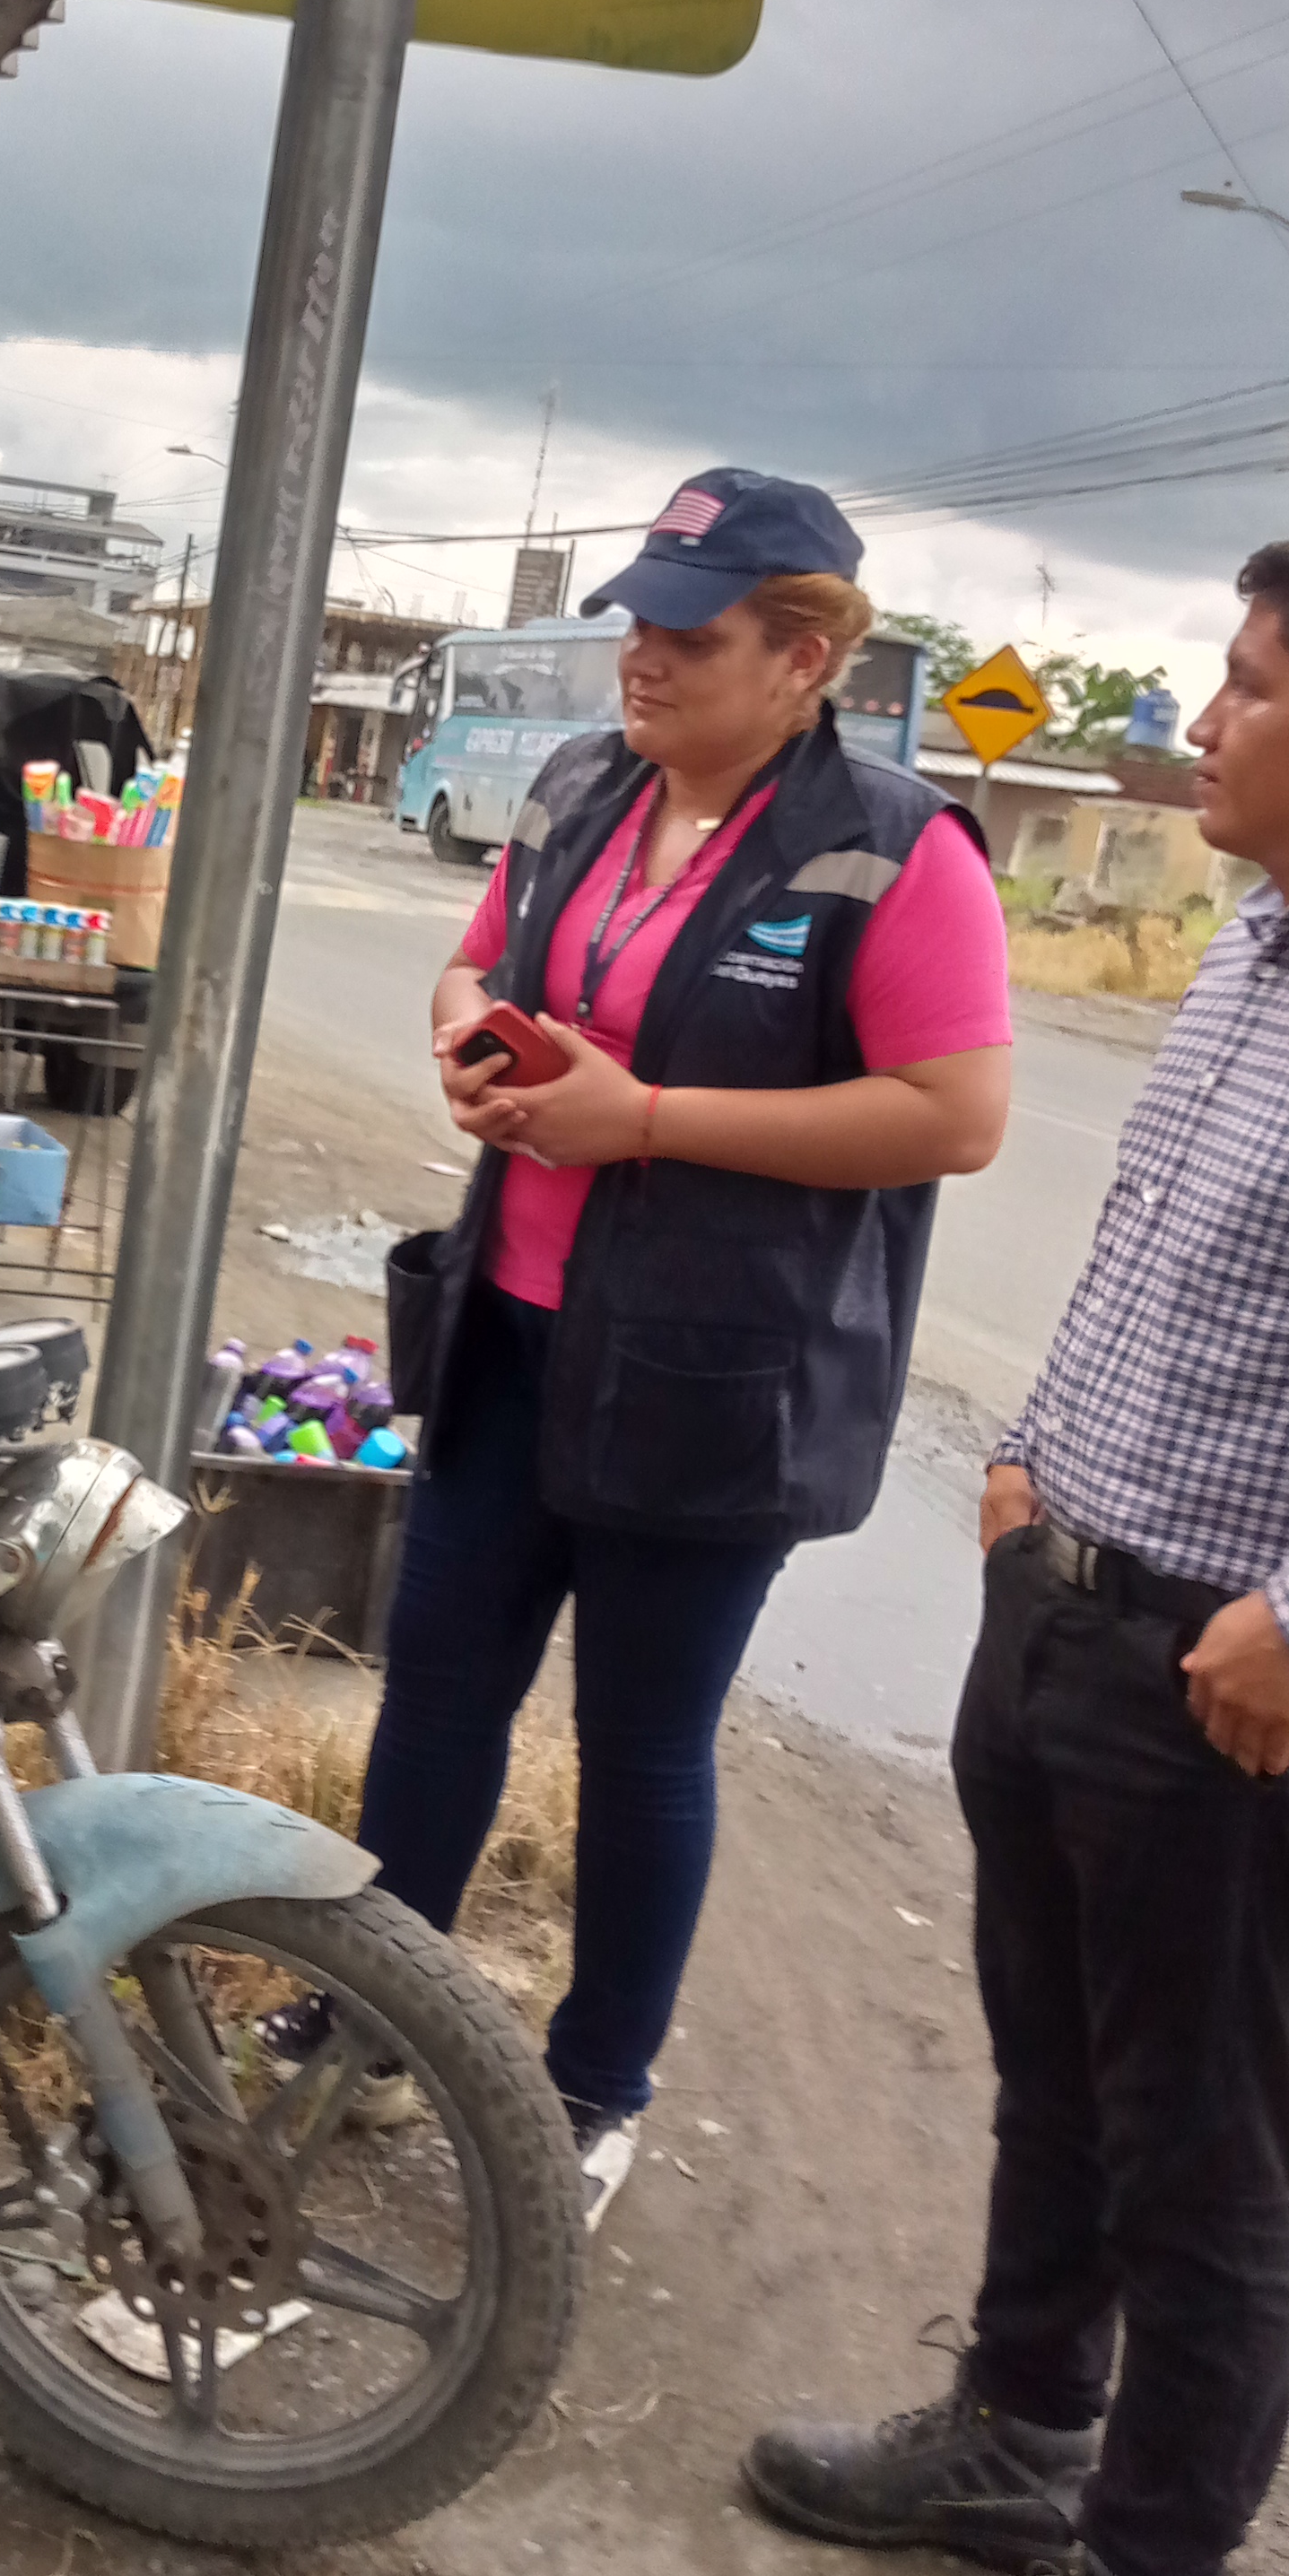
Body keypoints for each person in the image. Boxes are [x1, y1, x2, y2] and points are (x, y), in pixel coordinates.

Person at [745, 519, 1289, 2576]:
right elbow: (1156, 1256)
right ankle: (1016, 2430)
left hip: (1243, 1691)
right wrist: (1032, 1460)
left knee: (1198, 2161)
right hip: (1067, 1611)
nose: (1200, 719)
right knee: (1055, 2076)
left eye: (1247, 684)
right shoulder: (1259, 946)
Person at [332, 470, 1011, 2223]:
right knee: (437, 1694)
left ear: (804, 658)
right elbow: (474, 962)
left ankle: (592, 2091)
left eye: (691, 635)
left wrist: (645, 1120)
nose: (644, 657)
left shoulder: (894, 848)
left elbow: (953, 1114)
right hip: (509, 1332)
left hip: (714, 1375)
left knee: (640, 1746)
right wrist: (473, 1034)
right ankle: (367, 2019)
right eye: (638, 621)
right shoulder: (581, 786)